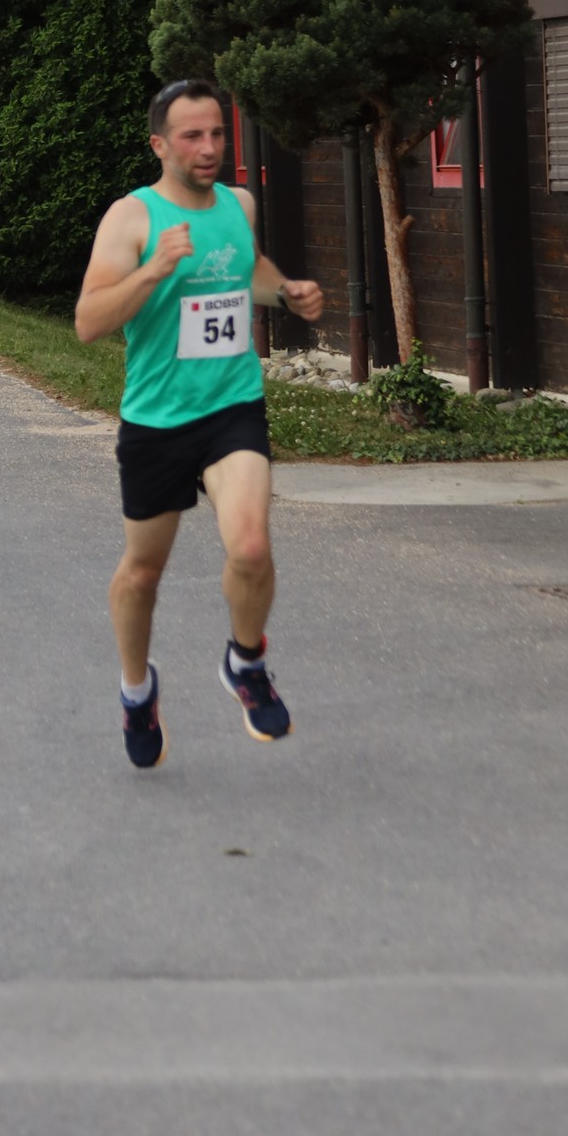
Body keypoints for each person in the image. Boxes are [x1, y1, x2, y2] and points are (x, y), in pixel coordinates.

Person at [74, 79, 325, 770]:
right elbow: (89, 322)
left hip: (231, 406)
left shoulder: (238, 204)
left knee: (251, 545)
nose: (210, 147)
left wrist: (286, 292)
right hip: (157, 420)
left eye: (218, 133)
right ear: (160, 144)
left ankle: (246, 662)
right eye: (193, 136)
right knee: (142, 575)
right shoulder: (132, 218)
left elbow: (248, 268)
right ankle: (136, 691)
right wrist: (153, 269)